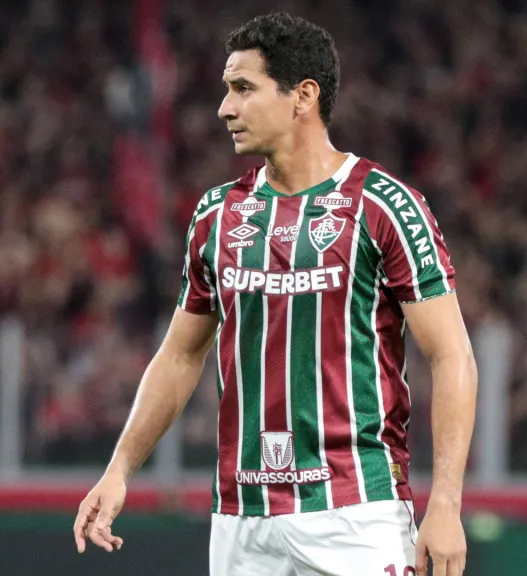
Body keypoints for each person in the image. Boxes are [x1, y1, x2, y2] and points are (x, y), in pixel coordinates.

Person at [74, 12, 477, 576]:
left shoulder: (383, 205)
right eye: (225, 90)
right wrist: (119, 469)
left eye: (243, 88)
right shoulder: (218, 215)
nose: (224, 108)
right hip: (242, 518)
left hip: (355, 512)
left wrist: (447, 504)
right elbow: (181, 353)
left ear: (302, 97)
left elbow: (451, 354)